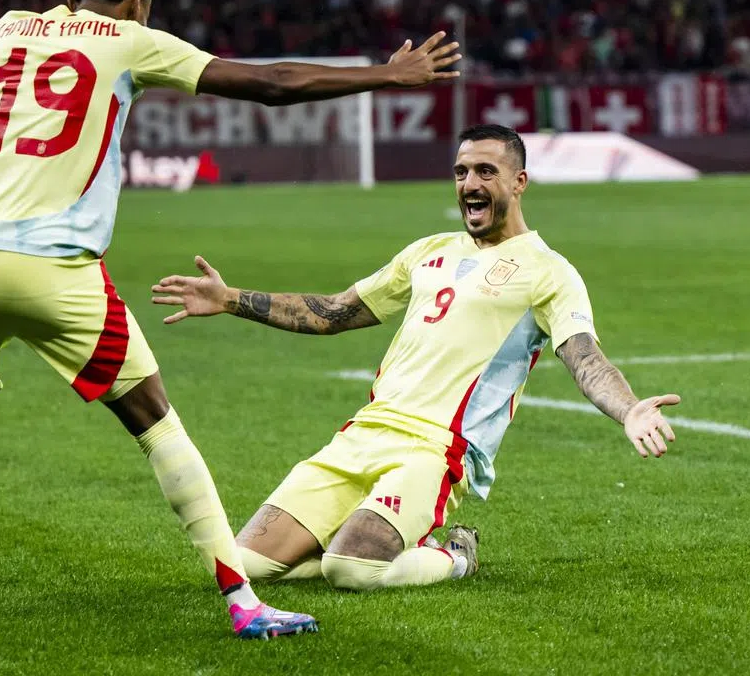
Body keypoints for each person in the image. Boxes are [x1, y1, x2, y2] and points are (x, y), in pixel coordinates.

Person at [0, 0, 461, 644]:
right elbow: (271, 82)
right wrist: (388, 73)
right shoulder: (130, 40)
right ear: (135, 1)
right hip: (53, 270)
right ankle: (244, 603)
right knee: (157, 425)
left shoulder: (7, 26)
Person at [150, 124, 681, 592]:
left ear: (519, 182)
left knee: (351, 572)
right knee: (241, 565)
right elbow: (333, 312)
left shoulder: (549, 271)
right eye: (461, 172)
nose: (470, 185)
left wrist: (629, 408)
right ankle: (358, 535)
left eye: (486, 172)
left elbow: (584, 357)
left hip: (435, 449)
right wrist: (229, 299)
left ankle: (454, 558)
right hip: (361, 435)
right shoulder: (429, 251)